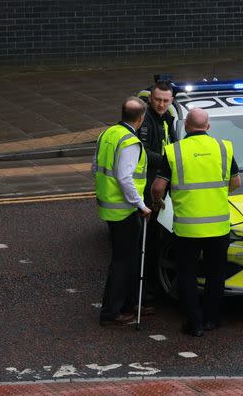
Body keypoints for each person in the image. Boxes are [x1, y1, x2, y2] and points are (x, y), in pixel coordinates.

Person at [151, 107, 241, 337]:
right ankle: (212, 319)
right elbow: (236, 182)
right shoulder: (224, 148)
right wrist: (219, 196)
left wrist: (159, 201)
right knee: (215, 274)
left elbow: (158, 187)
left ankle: (194, 323)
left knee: (188, 274)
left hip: (187, 227)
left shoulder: (174, 151)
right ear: (208, 126)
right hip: (218, 226)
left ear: (186, 127)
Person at [93, 97, 153, 327]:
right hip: (125, 210)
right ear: (141, 118)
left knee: (122, 259)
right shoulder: (130, 142)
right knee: (123, 263)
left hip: (108, 205)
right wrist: (141, 205)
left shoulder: (107, 134)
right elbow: (124, 177)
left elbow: (95, 167)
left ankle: (126, 305)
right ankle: (111, 313)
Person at [137, 80, 178, 300]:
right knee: (150, 242)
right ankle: (148, 292)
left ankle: (157, 285)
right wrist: (168, 160)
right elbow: (143, 152)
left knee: (161, 239)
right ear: (150, 98)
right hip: (150, 186)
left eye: (165, 100)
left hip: (167, 185)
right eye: (157, 100)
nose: (161, 104)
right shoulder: (146, 121)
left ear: (171, 100)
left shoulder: (169, 118)